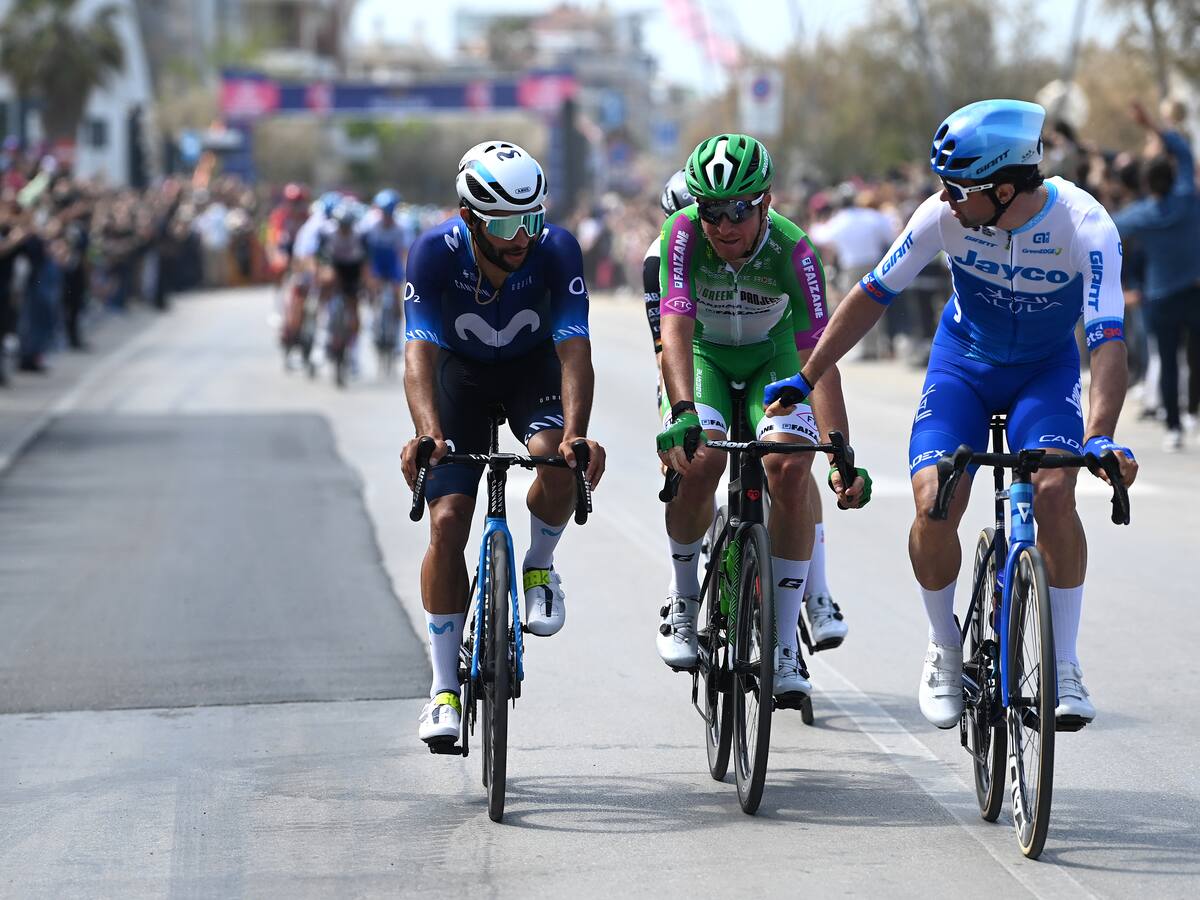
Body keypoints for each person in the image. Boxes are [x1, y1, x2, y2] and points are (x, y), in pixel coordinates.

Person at [781, 99, 1139, 729]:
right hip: (962, 367)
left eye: (956, 188)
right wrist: (808, 375)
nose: (943, 199)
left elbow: (1108, 339)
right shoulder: (942, 217)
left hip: (1043, 371)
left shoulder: (1087, 224)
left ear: (1003, 189)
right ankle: (945, 647)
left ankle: (1066, 664)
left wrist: (1101, 438)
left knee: (1056, 491)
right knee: (933, 500)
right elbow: (872, 296)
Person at [400, 140, 606, 747]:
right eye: (508, 222)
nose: (523, 236)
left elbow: (575, 350)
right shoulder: (432, 253)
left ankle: (539, 566)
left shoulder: (555, 249)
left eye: (533, 217)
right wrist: (428, 433)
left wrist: (576, 435)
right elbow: (418, 355)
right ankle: (441, 691)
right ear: (469, 218)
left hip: (530, 374)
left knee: (557, 461)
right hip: (458, 380)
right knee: (448, 520)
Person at [653, 134, 869, 705]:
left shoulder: (795, 251)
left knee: (791, 470)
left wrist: (840, 449)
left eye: (738, 212)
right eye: (711, 212)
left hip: (775, 361)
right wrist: (680, 411)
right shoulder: (683, 236)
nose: (723, 227)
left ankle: (782, 643)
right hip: (704, 358)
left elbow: (817, 358)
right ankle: (683, 600)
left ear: (766, 203)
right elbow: (673, 329)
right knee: (698, 461)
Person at [1111, 101, 1200, 452]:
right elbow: (1183, 149)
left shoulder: (1141, 215)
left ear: (1148, 182)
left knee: (1165, 360)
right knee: (1195, 357)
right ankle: (1192, 410)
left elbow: (1105, 230)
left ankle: (1174, 426)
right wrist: (1151, 123)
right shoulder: (1187, 199)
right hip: (1194, 291)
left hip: (1160, 296)